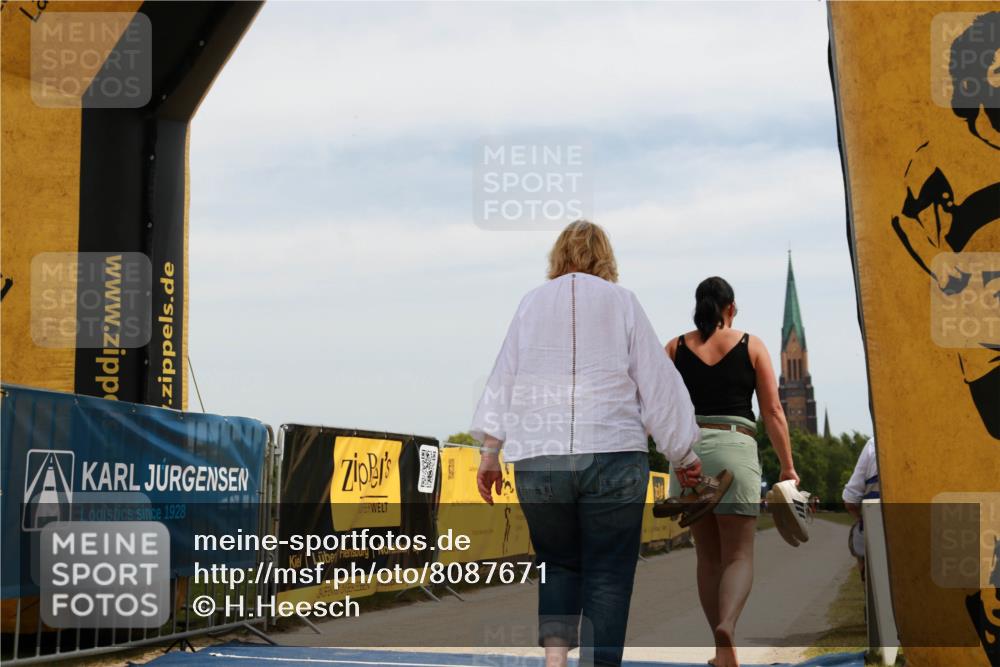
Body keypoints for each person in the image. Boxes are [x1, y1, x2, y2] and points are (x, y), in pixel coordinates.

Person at [470, 220, 705, 667]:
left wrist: (489, 452)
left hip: (539, 459)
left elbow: (504, 375)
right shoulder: (623, 303)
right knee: (608, 576)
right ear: (606, 258)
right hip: (613, 453)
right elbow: (658, 384)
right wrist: (684, 454)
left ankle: (554, 662)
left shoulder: (531, 304)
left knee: (557, 563)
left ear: (558, 257)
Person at [665, 276, 798, 667]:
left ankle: (721, 649)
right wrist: (787, 467)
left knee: (707, 558)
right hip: (735, 447)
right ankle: (728, 626)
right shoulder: (751, 345)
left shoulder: (674, 348)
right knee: (738, 556)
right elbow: (774, 412)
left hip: (688, 455)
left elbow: (655, 402)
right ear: (731, 308)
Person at [842, 437, 880, 580]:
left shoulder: (874, 444)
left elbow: (850, 501)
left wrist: (861, 518)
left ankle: (867, 584)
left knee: (858, 533)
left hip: (879, 534)